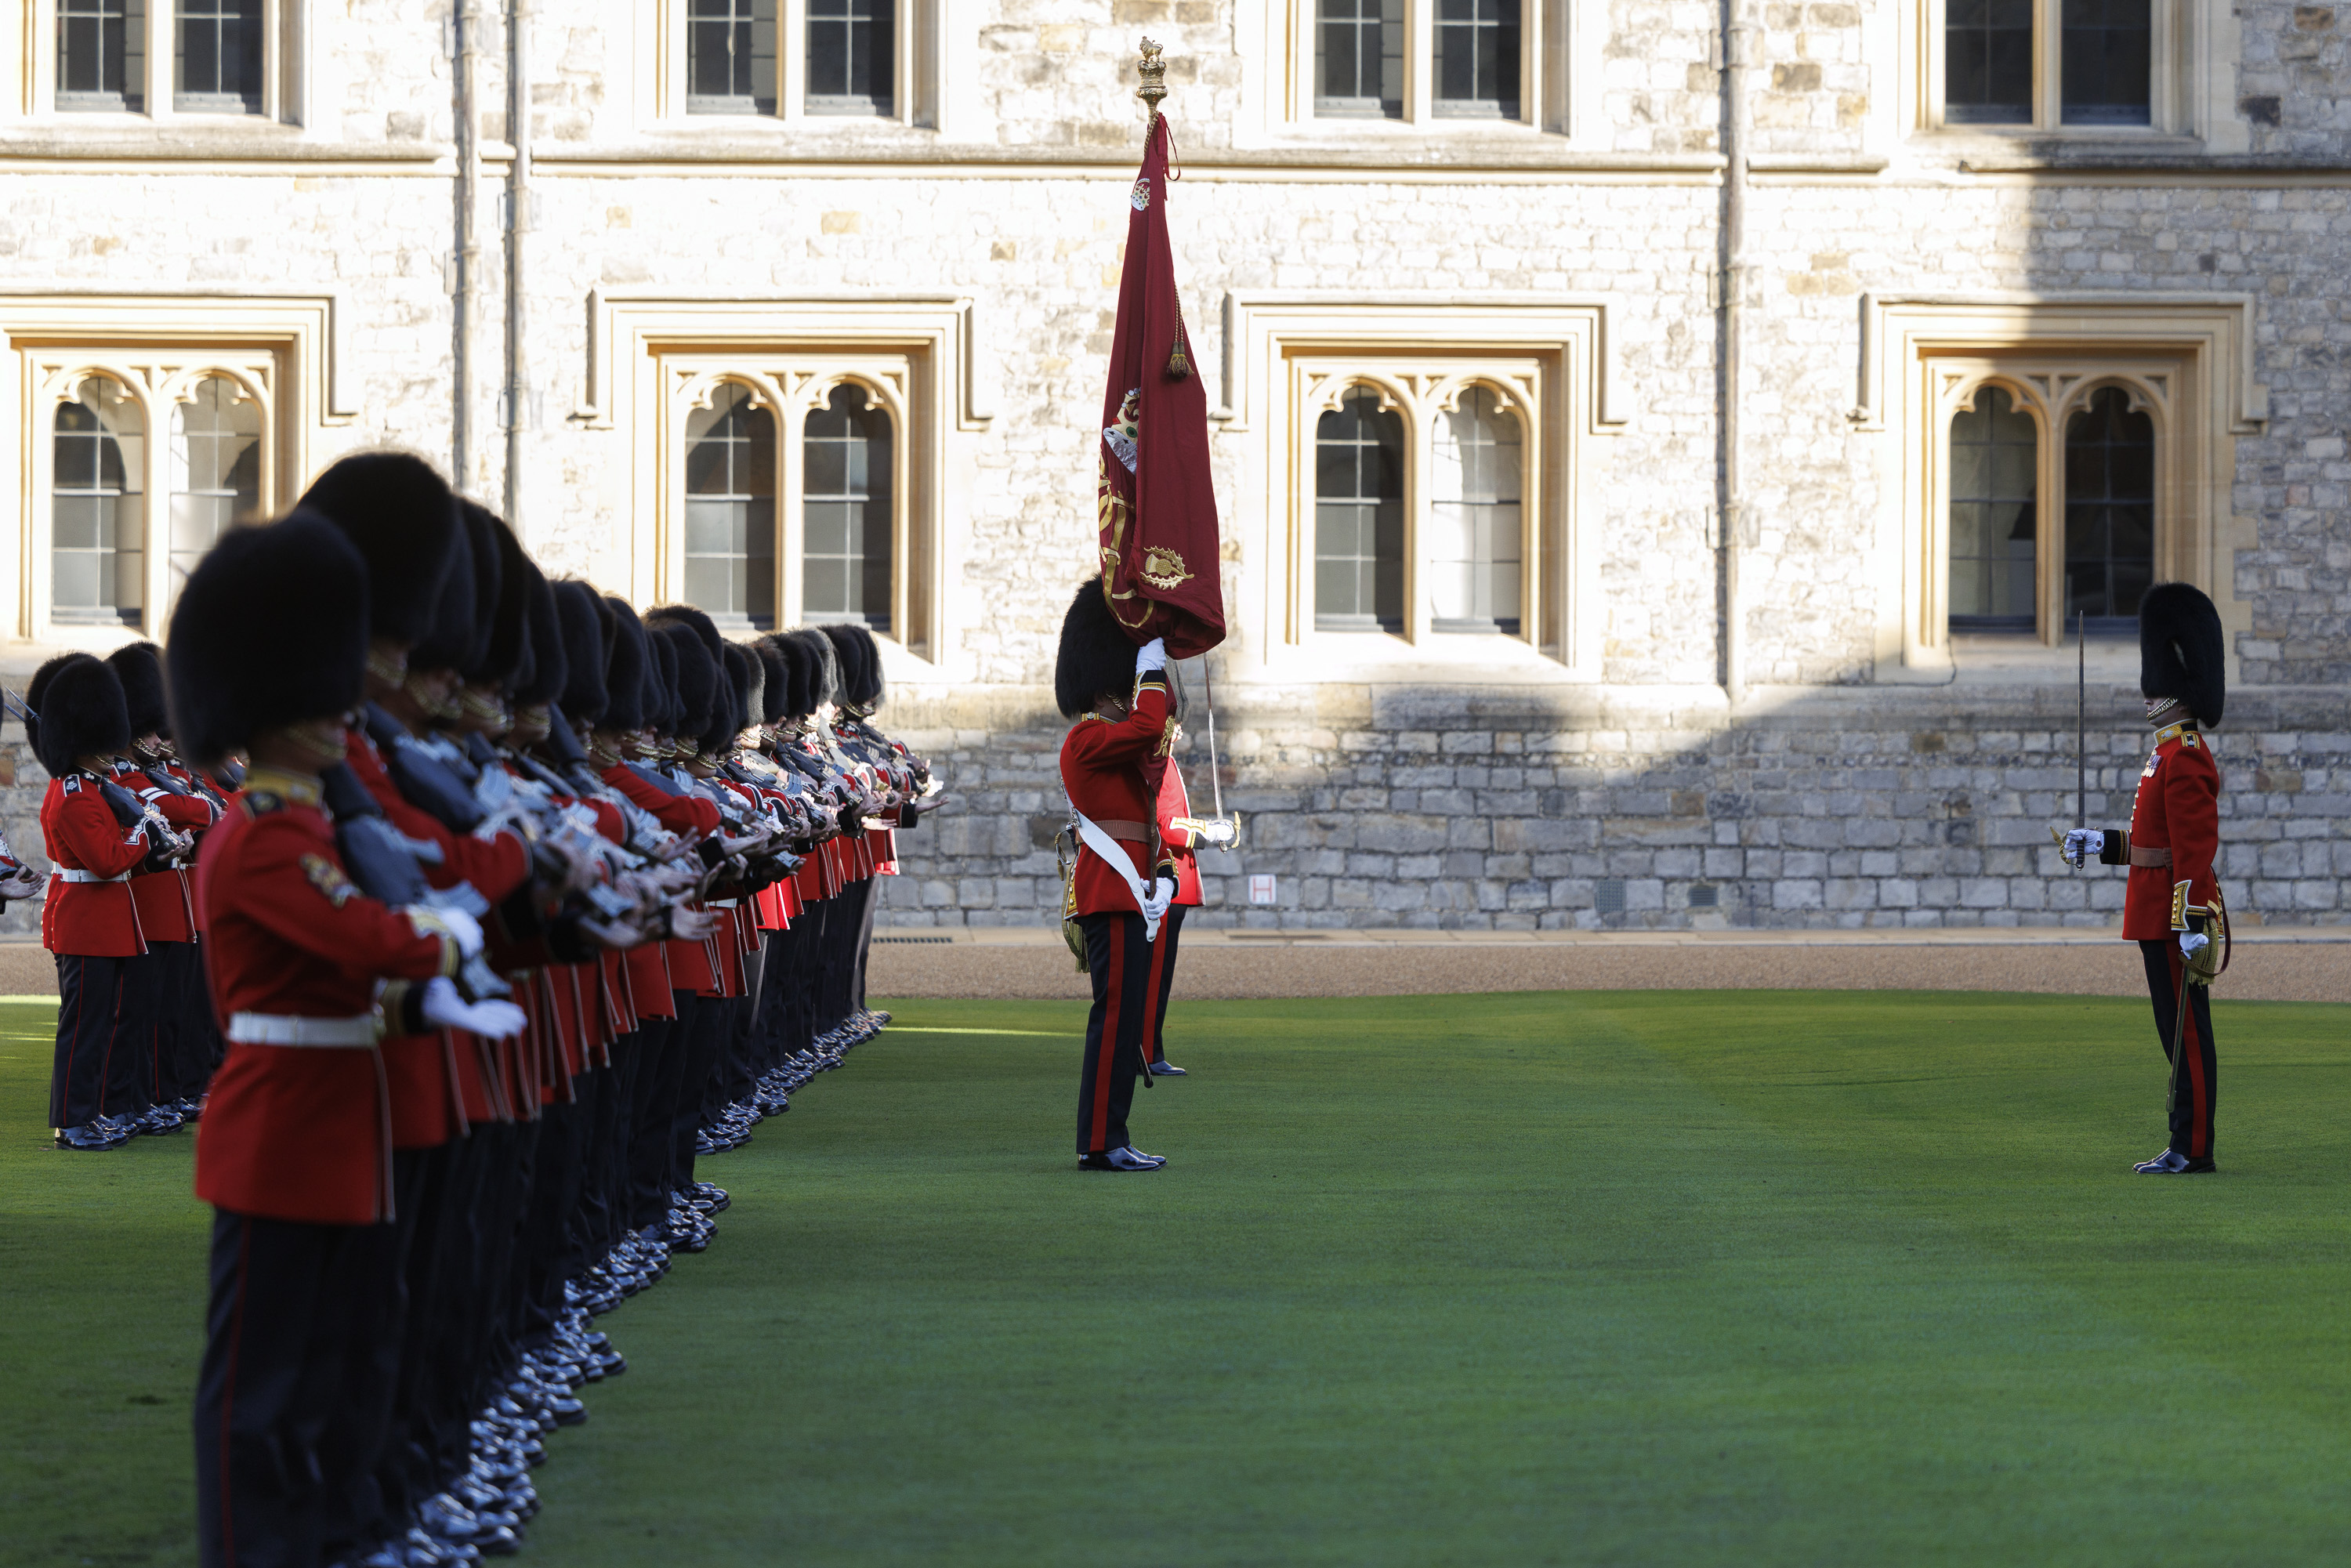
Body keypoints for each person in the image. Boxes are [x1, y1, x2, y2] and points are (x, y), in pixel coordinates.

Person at [171, 511, 528, 1568]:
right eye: (319, 695)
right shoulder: (263, 833)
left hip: (335, 1119)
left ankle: (330, 1536)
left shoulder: (308, 824)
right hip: (284, 1124)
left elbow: (357, 952)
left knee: (335, 1357)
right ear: (269, 706)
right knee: (261, 1382)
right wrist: (439, 934)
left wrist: (436, 969)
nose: (342, 712)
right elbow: (349, 933)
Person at [2060, 582, 2227, 1175]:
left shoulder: (2184, 756)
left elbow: (2194, 852)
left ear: (2175, 689)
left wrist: (2191, 921)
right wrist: (2100, 843)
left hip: (2173, 918)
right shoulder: (2165, 755)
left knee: (2186, 1033)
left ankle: (2195, 1145)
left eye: (2156, 683)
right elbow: (2154, 847)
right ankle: (2184, 1138)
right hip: (2156, 910)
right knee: (2173, 1032)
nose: (2148, 693)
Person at [1055, 580, 1181, 1171]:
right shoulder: (1086, 739)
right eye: (1125, 686)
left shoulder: (1118, 743)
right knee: (1113, 1018)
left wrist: (1164, 875)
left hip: (1133, 895)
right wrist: (1149, 667)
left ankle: (1112, 1135)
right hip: (1109, 893)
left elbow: (1158, 730)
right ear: (1106, 687)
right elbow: (1146, 723)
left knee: (1126, 1018)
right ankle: (1101, 1142)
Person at [1141, 686, 1237, 1077]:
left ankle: (1151, 1048)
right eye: (1171, 722)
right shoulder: (1156, 764)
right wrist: (1209, 831)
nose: (1176, 730)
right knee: (1155, 975)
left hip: (1177, 883)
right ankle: (1146, 1052)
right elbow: (1166, 825)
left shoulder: (1165, 762)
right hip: (1167, 880)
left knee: (1161, 976)